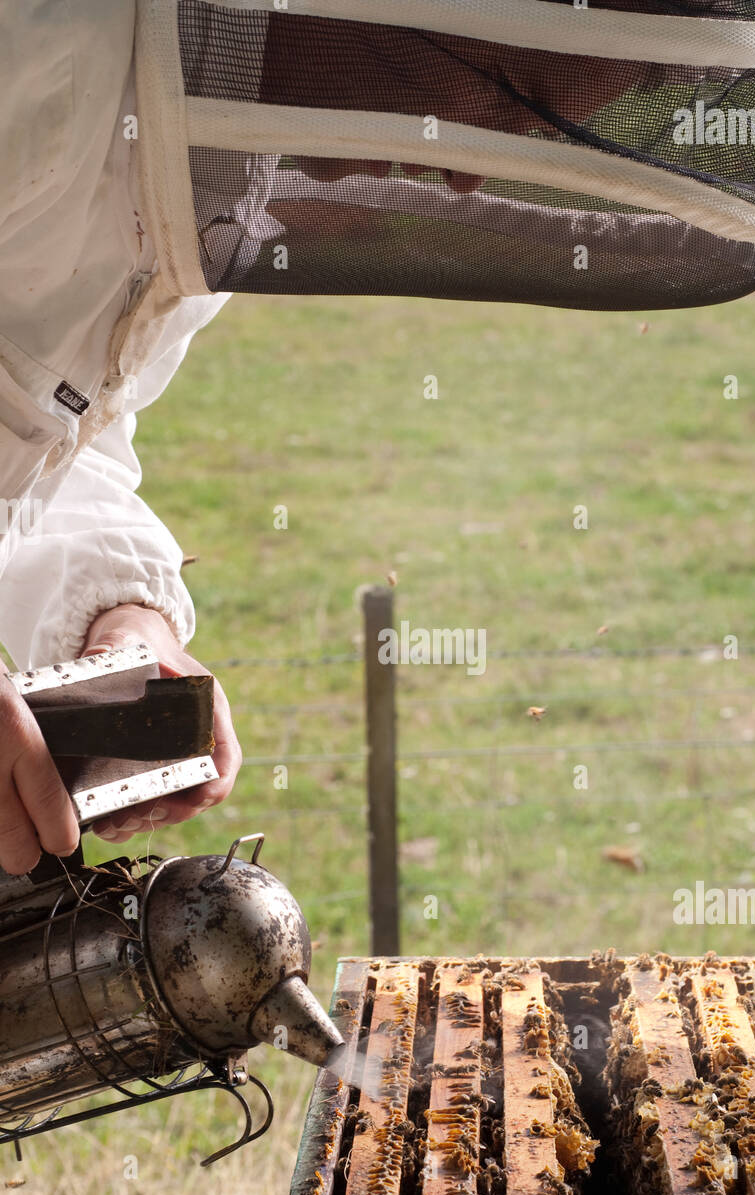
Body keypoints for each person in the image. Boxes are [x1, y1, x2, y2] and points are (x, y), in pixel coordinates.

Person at [0, 0, 665, 874]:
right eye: (494, 90)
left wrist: (124, 623)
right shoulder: (41, 39)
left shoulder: (203, 163)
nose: (463, 173)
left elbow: (47, 438)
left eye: (521, 129)